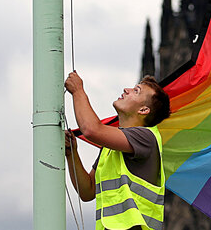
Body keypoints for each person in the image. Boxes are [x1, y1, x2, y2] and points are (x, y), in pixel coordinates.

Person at [63, 71, 171, 230]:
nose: (127, 89)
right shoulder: (111, 147)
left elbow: (91, 130)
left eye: (136, 91)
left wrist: (78, 91)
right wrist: (72, 153)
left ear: (143, 110)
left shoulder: (146, 137)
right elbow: (87, 190)